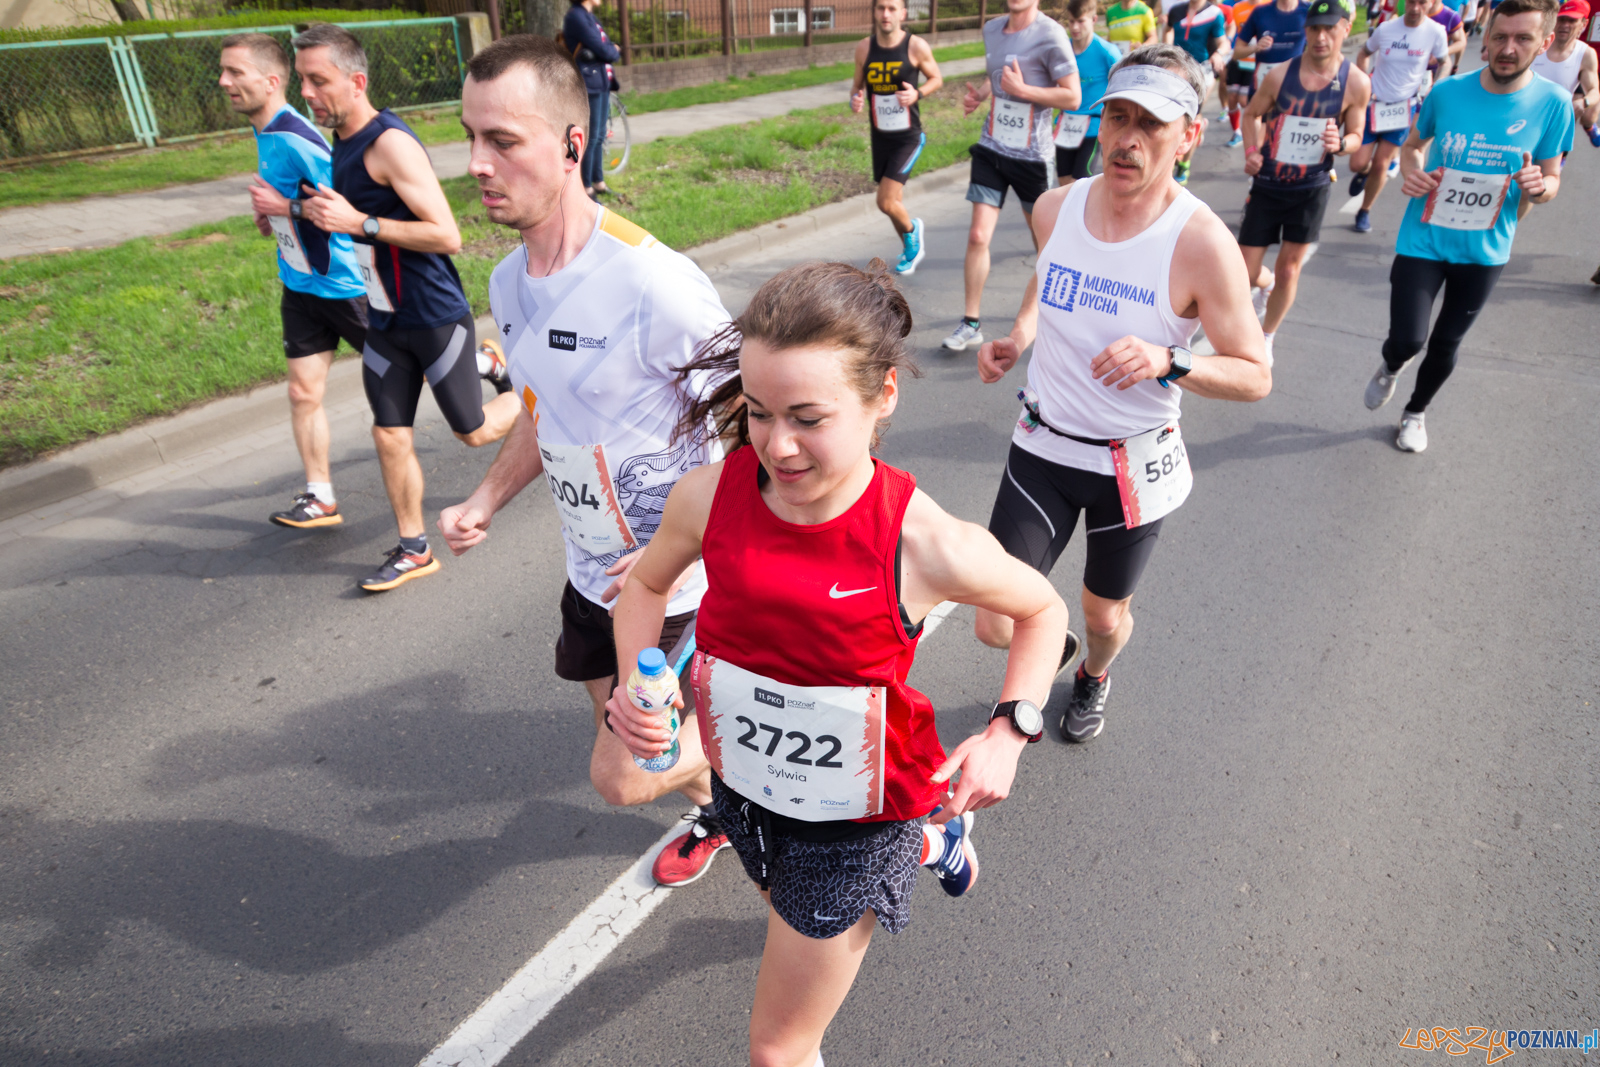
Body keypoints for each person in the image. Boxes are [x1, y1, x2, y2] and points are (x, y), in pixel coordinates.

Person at [607, 260, 1072, 1067]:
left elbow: (1042, 609)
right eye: (757, 412)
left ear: (883, 394)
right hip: (743, 786)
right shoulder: (713, 493)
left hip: (856, 821)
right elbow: (644, 585)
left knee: (778, 1048)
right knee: (776, 924)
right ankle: (937, 840)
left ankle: (915, 836)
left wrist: (1011, 727)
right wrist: (636, 683)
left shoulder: (923, 541)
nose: (776, 445)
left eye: (806, 417)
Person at [437, 35, 737, 885]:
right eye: (469, 138)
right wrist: (489, 498)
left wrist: (703, 538)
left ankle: (762, 794)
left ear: (573, 144)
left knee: (622, 771)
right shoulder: (506, 282)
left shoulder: (655, 284)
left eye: (502, 140)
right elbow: (547, 408)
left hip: (676, 586)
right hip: (591, 576)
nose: (476, 164)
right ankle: (724, 806)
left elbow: (762, 418)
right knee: (628, 728)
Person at [975, 46, 1271, 743]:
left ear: (1189, 136)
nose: (1128, 140)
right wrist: (1019, 336)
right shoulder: (1056, 207)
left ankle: (1093, 674)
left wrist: (1171, 359)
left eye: (1152, 124)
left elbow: (1256, 373)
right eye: (1117, 118)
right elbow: (1050, 277)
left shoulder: (1200, 243)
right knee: (992, 618)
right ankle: (1055, 643)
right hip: (1043, 444)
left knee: (1105, 615)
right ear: (1098, 123)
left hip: (1128, 466)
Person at [293, 24, 521, 592]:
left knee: (471, 433)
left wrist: (362, 224)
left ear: (356, 81)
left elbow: (447, 234)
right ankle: (414, 548)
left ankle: (527, 392)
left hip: (433, 313)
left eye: (318, 81)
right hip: (385, 319)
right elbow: (348, 213)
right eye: (303, 81)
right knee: (389, 433)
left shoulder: (388, 142)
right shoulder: (341, 142)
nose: (308, 93)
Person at [1363, 0, 1570, 451]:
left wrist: (1540, 186)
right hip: (1424, 236)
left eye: (1522, 39)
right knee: (1408, 338)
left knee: (1445, 344)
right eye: (1499, 36)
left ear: (1545, 43)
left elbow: (1552, 178)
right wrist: (1413, 168)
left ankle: (1415, 413)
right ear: (1486, 38)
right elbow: (1414, 145)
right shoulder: (1448, 91)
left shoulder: (1554, 105)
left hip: (1485, 250)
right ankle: (1391, 365)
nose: (1508, 49)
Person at [218, 34, 370, 532]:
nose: (224, 82)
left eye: (235, 73)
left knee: (426, 367)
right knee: (304, 393)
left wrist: (285, 208)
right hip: (302, 286)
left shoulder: (297, 136)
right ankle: (320, 495)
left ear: (270, 80)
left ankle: (481, 361)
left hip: (345, 284)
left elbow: (346, 206)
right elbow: (298, 204)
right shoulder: (266, 133)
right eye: (224, 72)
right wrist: (275, 219)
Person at [1238, 0, 1370, 364]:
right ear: (1306, 31)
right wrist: (1251, 150)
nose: (1321, 37)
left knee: (1290, 268)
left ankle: (1266, 336)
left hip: (1311, 186)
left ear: (1346, 28)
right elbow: (1252, 115)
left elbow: (1357, 135)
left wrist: (1341, 144)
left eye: (1330, 29)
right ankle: (1264, 287)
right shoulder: (1280, 75)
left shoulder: (1356, 82)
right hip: (1268, 182)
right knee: (1245, 271)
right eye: (1314, 28)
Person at [944, 0, 1081, 351]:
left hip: (1032, 158)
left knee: (1046, 248)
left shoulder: (1051, 34)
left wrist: (1024, 92)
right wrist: (983, 94)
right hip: (992, 148)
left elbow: (1072, 96)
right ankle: (970, 322)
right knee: (977, 235)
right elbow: (998, 75)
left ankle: (1055, 316)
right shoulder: (991, 29)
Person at [850, 0, 944, 274]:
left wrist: (918, 93)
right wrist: (854, 100)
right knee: (894, 201)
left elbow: (936, 78)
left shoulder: (915, 46)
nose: (886, 14)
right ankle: (908, 248)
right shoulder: (864, 48)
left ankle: (913, 232)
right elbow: (857, 88)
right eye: (881, 8)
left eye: (892, 8)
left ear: (903, 13)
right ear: (875, 12)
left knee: (885, 201)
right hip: (880, 138)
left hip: (908, 138)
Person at [1347, 0, 1451, 232]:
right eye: (1411, 2)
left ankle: (1364, 210)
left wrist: (1437, 84)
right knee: (1358, 163)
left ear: (1431, 4)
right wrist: (1365, 81)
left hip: (1403, 108)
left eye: (1422, 3)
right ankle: (1364, 173)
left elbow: (1445, 61)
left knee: (1381, 165)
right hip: (1374, 103)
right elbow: (1364, 52)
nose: (1415, 8)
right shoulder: (1386, 29)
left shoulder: (1435, 32)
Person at [1055, 0, 1125, 183]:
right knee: (1063, 182)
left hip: (1092, 127)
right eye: (1071, 22)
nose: (1075, 27)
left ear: (1094, 19)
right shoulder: (1063, 50)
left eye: (1080, 21)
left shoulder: (1107, 52)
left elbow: (1124, 86)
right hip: (1066, 124)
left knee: (1078, 183)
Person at [1165, 0, 1230, 181]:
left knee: (1193, 115)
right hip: (1176, 70)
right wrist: (1166, 48)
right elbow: (1168, 29)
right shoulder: (1176, 10)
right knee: (1174, 114)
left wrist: (1218, 54)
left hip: (1201, 72)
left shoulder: (1214, 13)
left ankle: (1184, 165)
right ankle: (1185, 143)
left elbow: (1224, 42)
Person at [563, 0, 622, 200]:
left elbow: (603, 48)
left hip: (601, 82)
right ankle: (586, 186)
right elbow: (606, 50)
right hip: (588, 83)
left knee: (600, 135)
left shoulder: (590, 17)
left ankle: (599, 181)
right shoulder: (576, 16)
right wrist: (613, 50)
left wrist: (609, 50)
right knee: (591, 137)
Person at [1530, 0, 1600, 145]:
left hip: (1558, 120)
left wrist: (1584, 102)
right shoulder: (1537, 44)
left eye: (1571, 21)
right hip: (1529, 115)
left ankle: (1562, 151)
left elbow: (1594, 91)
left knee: (1583, 115)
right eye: (1561, 19)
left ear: (1583, 24)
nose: (1565, 24)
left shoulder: (1586, 54)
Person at [1233, 0, 1312, 96]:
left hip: (1294, 84)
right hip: (1264, 83)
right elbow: (1237, 52)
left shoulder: (1308, 10)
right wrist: (1255, 47)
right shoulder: (1261, 12)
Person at [1222, 0, 1263, 145]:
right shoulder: (1238, 8)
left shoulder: (1268, 5)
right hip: (1238, 58)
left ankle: (1258, 136)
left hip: (1257, 61)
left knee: (1244, 100)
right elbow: (1234, 31)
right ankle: (1236, 132)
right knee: (1232, 97)